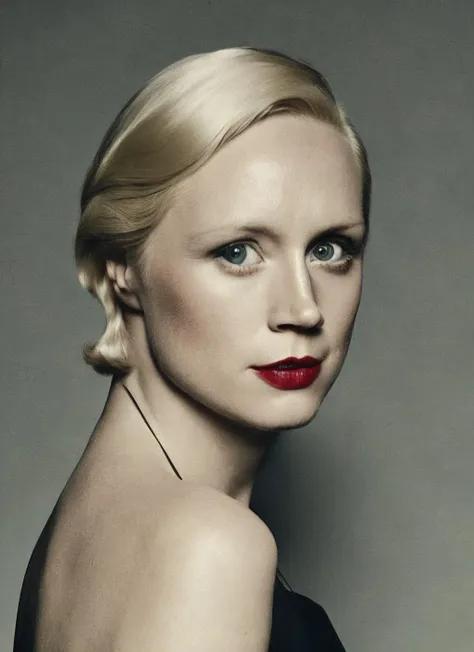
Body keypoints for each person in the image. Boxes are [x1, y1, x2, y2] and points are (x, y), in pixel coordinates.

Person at [14, 46, 371, 651]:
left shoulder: (92, 524)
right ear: (123, 267)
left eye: (329, 248)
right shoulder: (206, 547)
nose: (304, 308)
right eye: (237, 252)